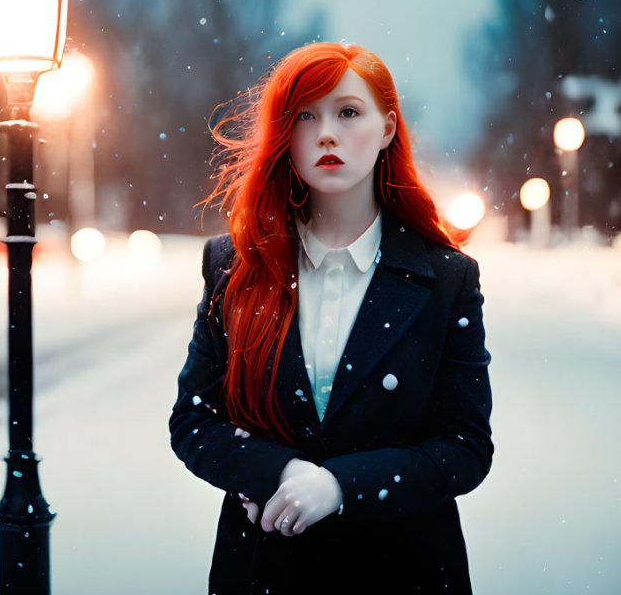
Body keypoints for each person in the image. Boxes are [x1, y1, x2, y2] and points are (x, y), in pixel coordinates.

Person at [170, 42, 493, 594]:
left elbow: (464, 446)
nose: (326, 133)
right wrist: (281, 473)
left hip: (403, 571)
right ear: (284, 135)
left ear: (388, 128)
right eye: (305, 115)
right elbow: (195, 423)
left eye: (348, 112)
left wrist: (341, 486)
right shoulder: (235, 265)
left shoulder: (446, 279)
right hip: (265, 571)